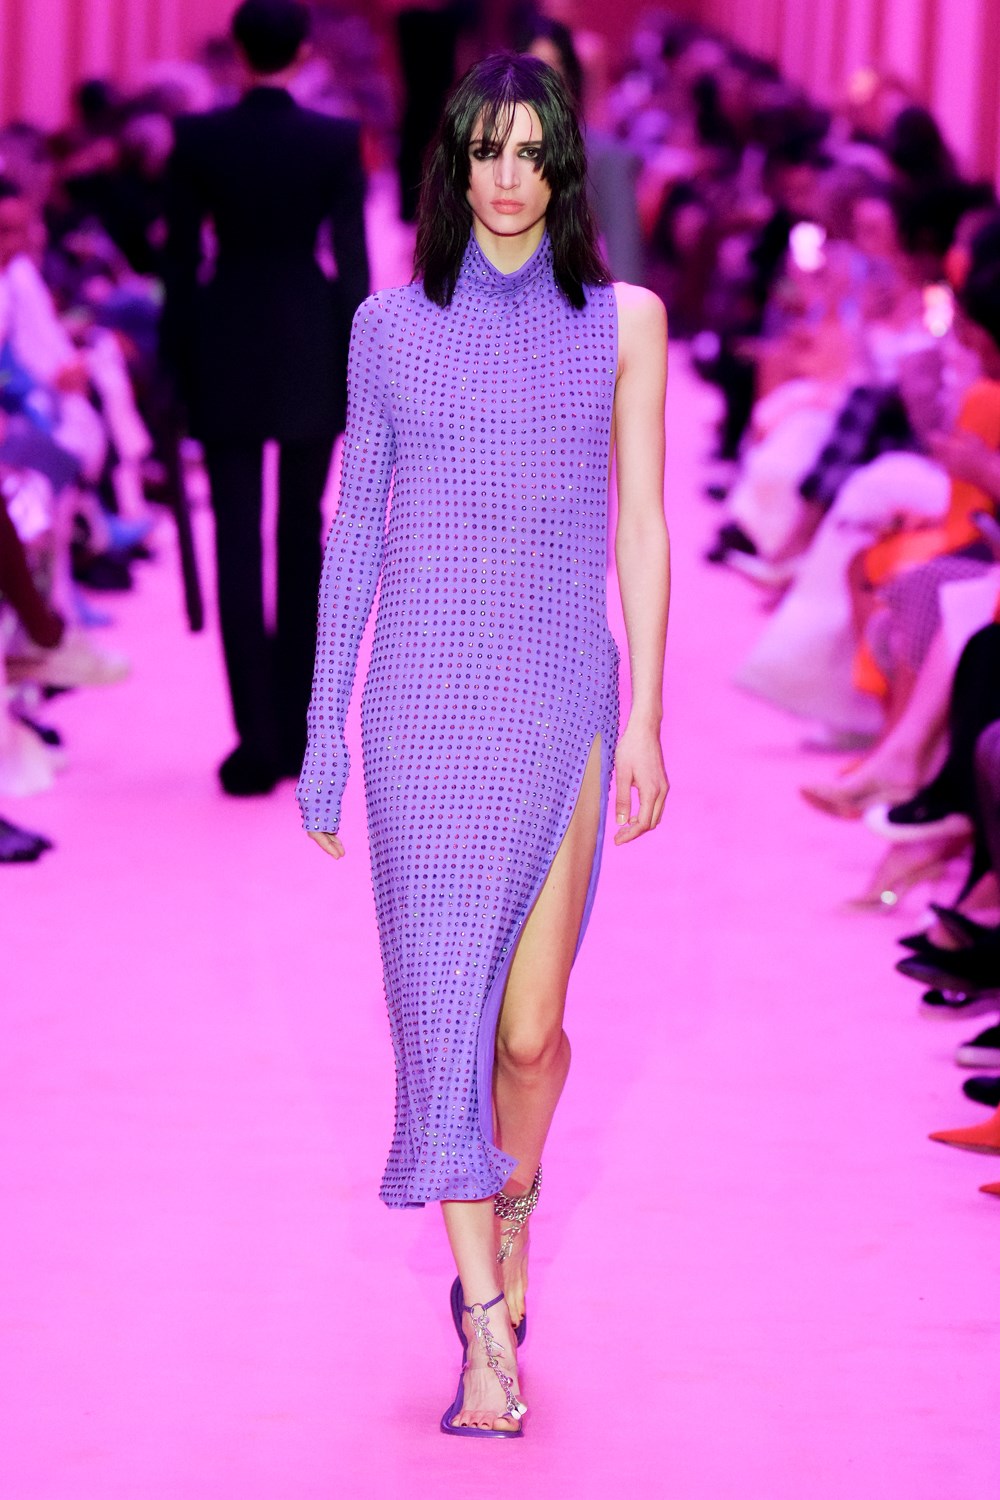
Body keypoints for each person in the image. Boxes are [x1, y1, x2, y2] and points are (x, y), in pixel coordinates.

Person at [297, 53, 670, 1435]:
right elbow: (354, 531)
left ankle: (514, 1199)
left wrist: (646, 717)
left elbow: (642, 524)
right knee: (445, 1022)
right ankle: (486, 1324)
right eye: (484, 152)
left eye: (530, 152)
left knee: (529, 1038)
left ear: (563, 166)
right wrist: (324, 735)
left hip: (561, 692)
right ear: (451, 167)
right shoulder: (387, 328)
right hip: (421, 710)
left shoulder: (623, 322)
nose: (507, 178)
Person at [161, 0, 370, 796]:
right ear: (304, 52)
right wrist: (364, 365)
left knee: (237, 539)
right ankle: (297, 732)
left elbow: (180, 266)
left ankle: (253, 736)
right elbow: (351, 265)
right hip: (309, 335)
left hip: (224, 334)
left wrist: (173, 366)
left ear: (236, 51)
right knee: (301, 534)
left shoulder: (197, 139)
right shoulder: (334, 140)